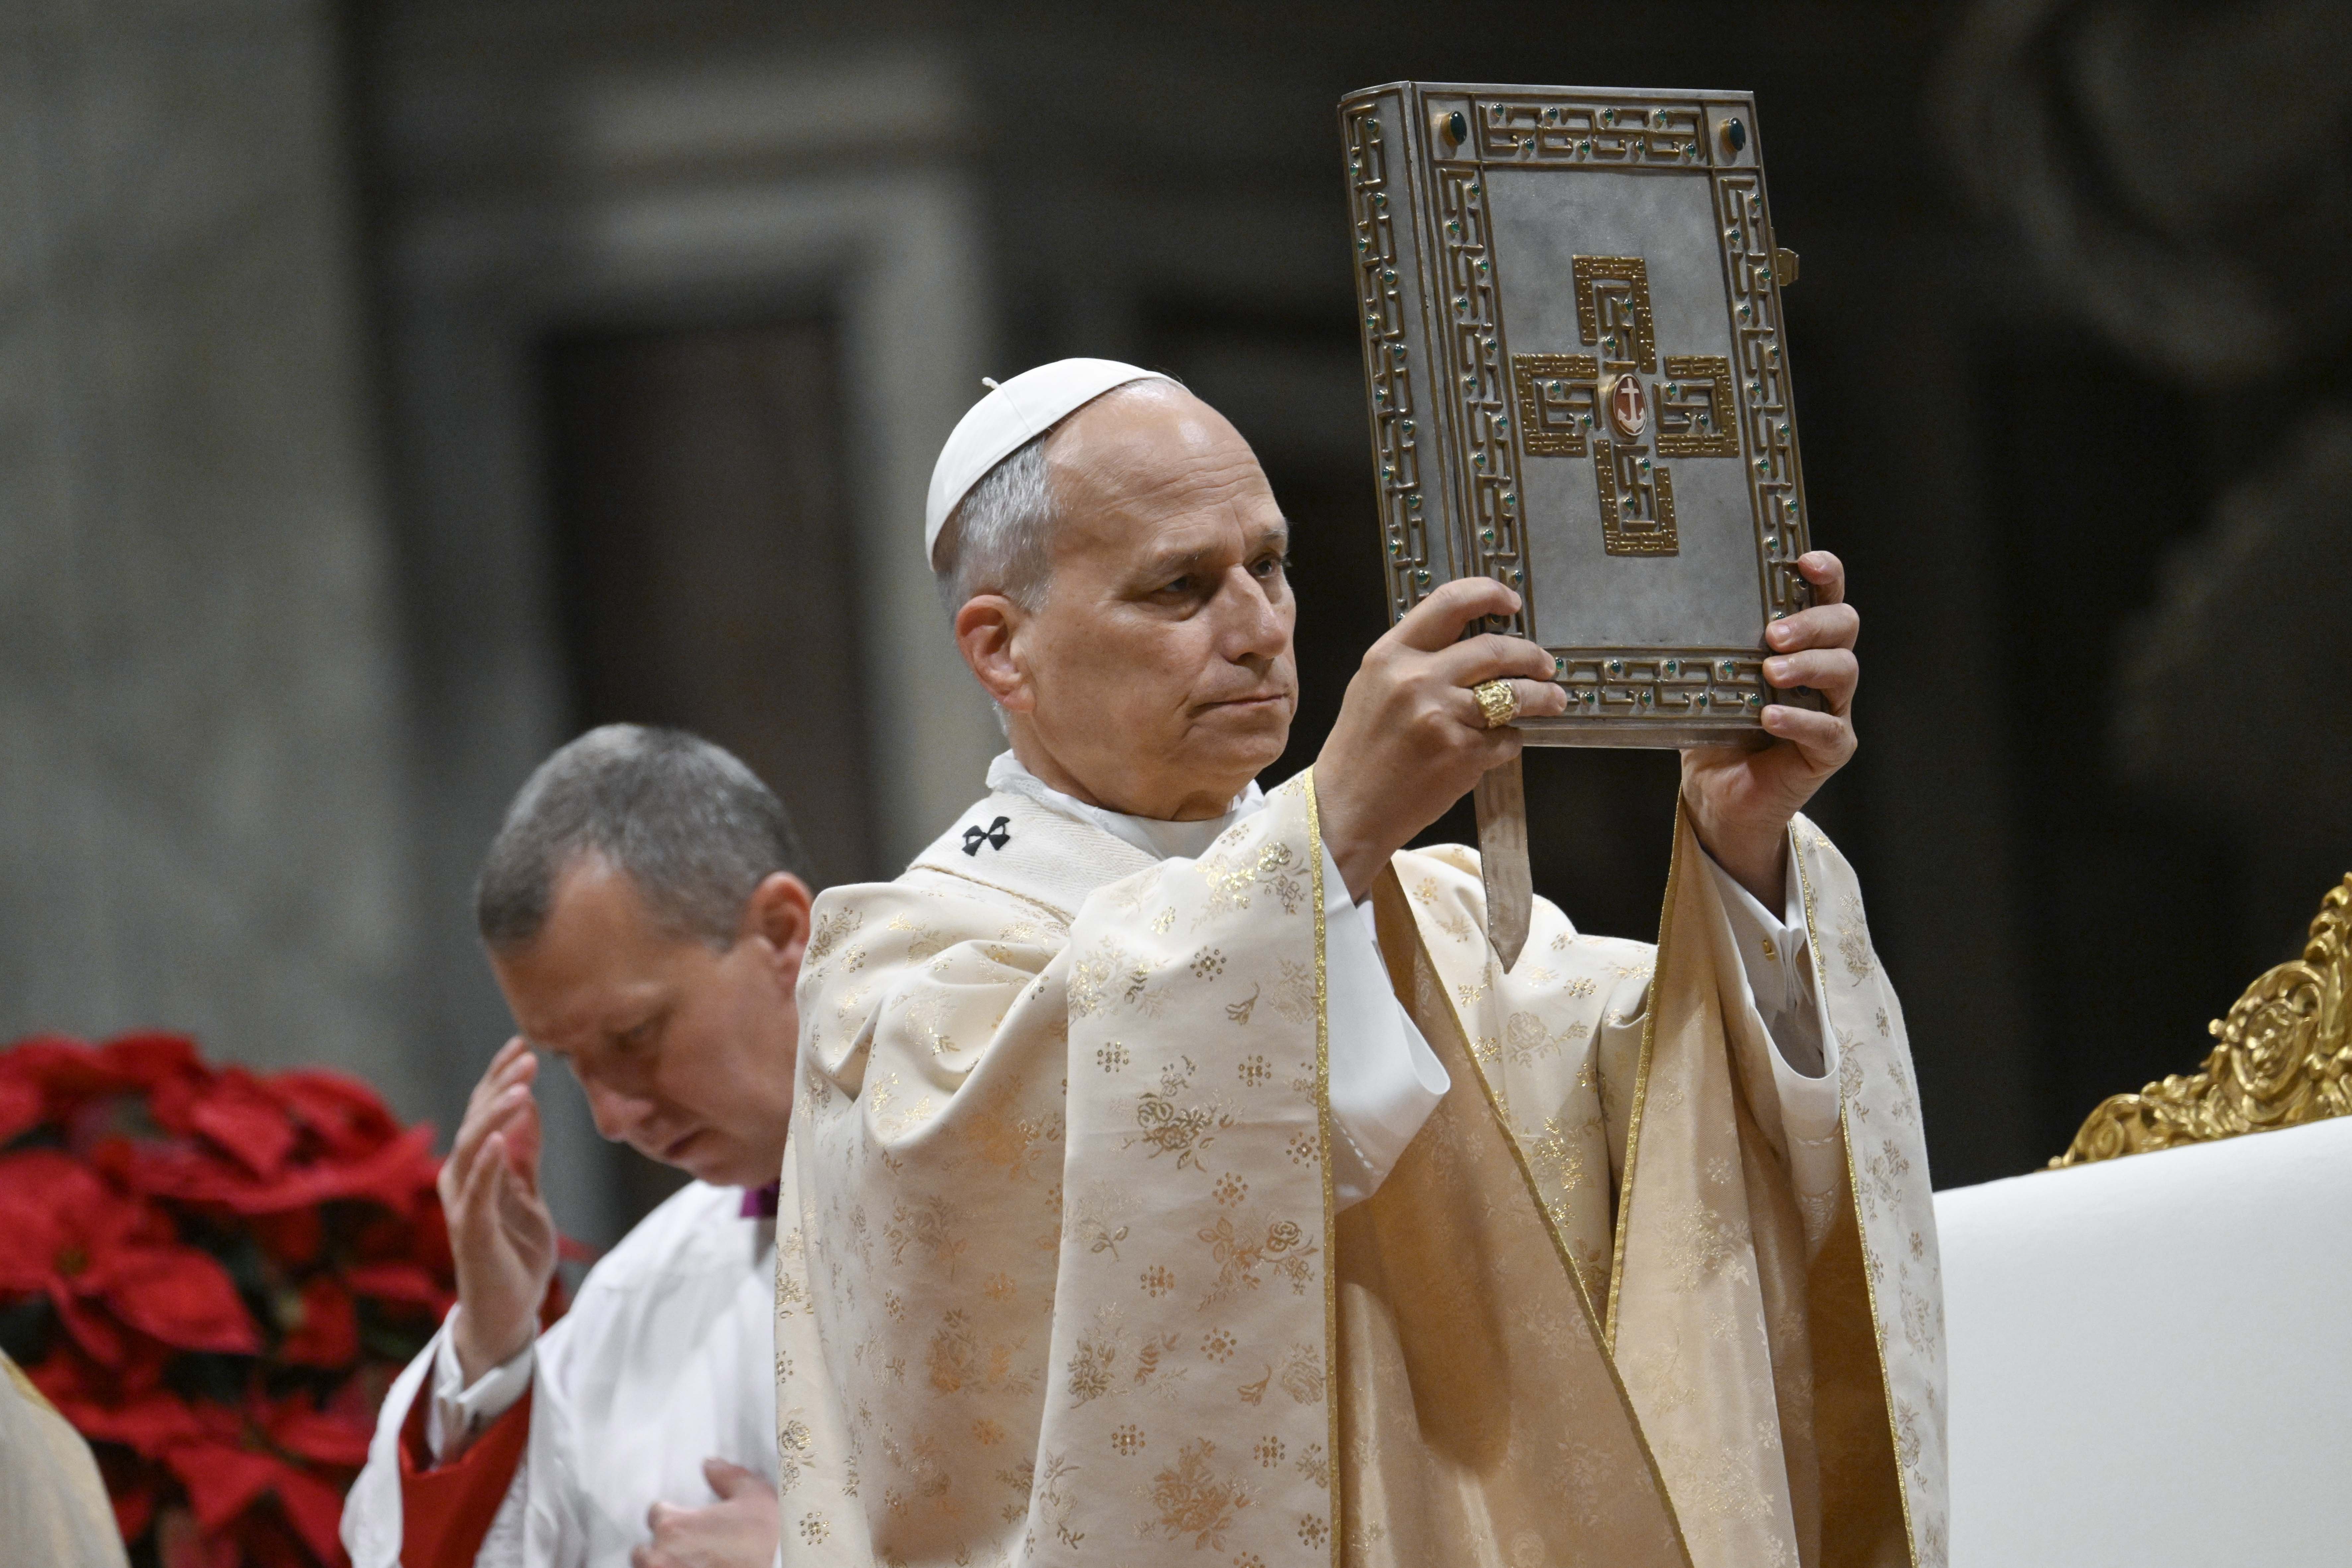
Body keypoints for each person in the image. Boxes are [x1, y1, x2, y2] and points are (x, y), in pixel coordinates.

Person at [771, 361, 1944, 1568]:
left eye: (1268, 565)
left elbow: (1675, 1154)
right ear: (1000, 647)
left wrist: (1738, 843)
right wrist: (1327, 832)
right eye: (1179, 587)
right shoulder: (907, 971)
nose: (1257, 628)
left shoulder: (1434, 912)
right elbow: (991, 1324)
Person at [343, 725, 811, 1568]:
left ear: (782, 932)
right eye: (572, 1064)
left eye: (635, 1034)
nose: (611, 1117)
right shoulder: (634, 1296)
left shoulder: (1018, 1195)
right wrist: (493, 1335)